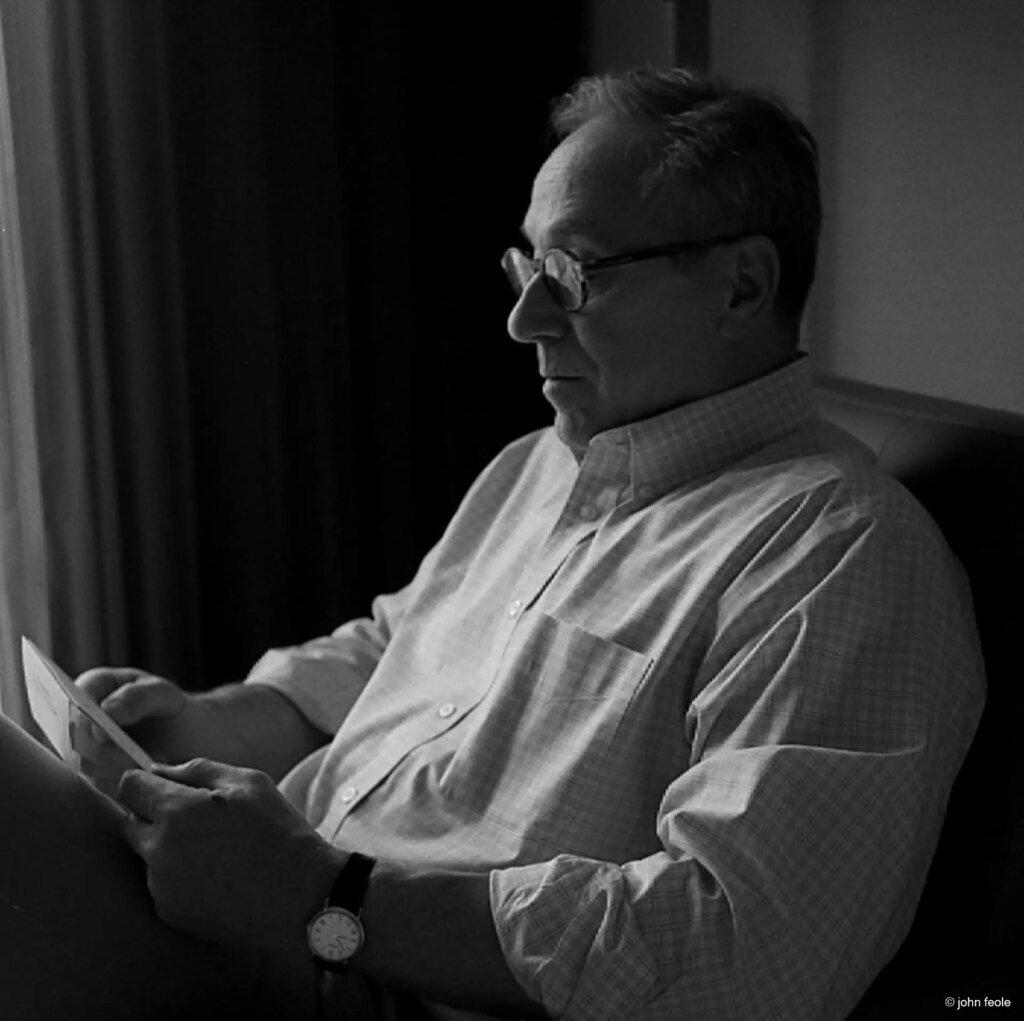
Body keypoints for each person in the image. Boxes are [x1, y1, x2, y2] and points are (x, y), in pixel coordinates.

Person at [0, 67, 984, 1020]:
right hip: (278, 914)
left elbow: (749, 954)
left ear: (741, 286)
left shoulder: (836, 557)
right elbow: (395, 647)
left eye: (573, 273)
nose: (524, 319)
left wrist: (321, 895)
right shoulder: (538, 467)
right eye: (526, 267)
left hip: (367, 974)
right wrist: (213, 722)